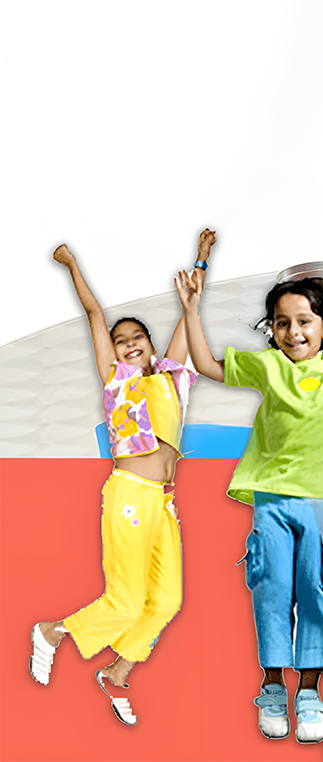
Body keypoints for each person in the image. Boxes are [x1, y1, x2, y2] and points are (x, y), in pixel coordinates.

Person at [176, 265, 323, 744]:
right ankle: (273, 686)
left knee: (318, 591)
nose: (293, 331)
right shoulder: (266, 367)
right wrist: (191, 308)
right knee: (272, 588)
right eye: (282, 322)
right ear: (272, 328)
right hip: (271, 497)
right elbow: (207, 365)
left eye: (304, 321)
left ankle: (308, 692)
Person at [30, 230, 215, 726]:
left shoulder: (172, 377)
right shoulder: (118, 378)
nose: (130, 344)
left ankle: (116, 673)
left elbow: (186, 313)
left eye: (137, 338)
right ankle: (53, 631)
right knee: (127, 599)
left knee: (168, 600)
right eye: (122, 340)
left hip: (164, 501)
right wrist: (71, 265)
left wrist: (201, 259)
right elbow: (95, 315)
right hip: (130, 494)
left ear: (150, 345)